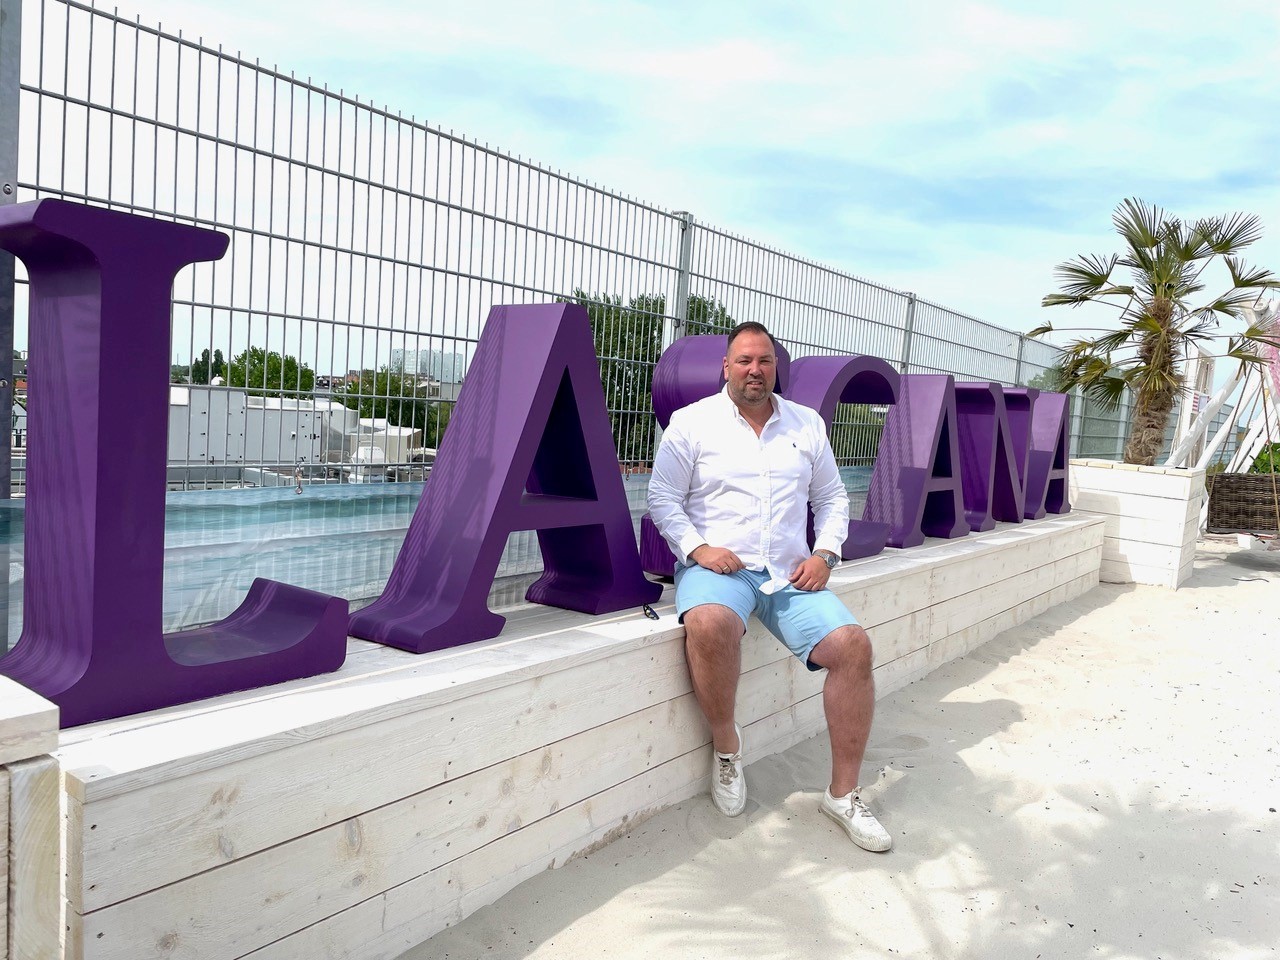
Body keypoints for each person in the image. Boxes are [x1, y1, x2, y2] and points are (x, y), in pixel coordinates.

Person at [647, 321, 891, 852]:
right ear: (726, 367)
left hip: (788, 574)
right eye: (744, 361)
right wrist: (698, 550)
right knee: (709, 623)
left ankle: (843, 796)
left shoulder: (806, 425)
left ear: (774, 367)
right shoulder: (692, 424)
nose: (754, 370)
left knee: (853, 646)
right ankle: (728, 750)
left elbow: (833, 499)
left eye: (764, 361)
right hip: (719, 571)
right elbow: (663, 496)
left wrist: (826, 553)